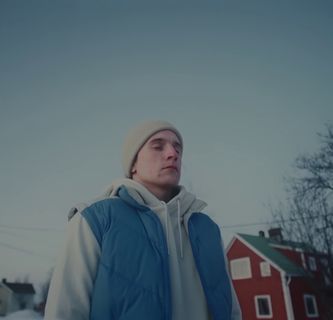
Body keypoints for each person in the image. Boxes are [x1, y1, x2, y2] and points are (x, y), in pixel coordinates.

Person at [45, 120, 242, 320]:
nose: (172, 154)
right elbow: (65, 313)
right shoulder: (94, 219)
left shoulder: (207, 229)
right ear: (133, 164)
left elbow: (231, 311)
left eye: (178, 148)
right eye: (158, 146)